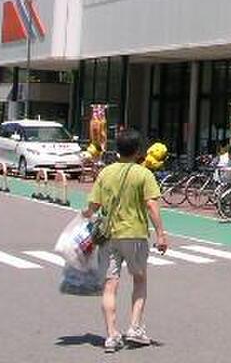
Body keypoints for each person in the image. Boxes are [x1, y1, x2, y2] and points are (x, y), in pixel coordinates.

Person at [83, 129, 169, 352]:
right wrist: (161, 234)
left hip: (108, 235)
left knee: (110, 285)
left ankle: (112, 335)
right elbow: (151, 205)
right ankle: (135, 328)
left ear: (117, 149)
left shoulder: (106, 173)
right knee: (139, 280)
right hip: (135, 234)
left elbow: (92, 206)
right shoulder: (143, 174)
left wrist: (86, 214)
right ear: (138, 151)